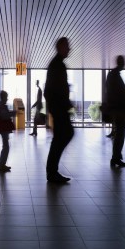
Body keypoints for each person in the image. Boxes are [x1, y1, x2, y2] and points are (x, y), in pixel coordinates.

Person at [44, 37, 74, 183]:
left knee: (60, 137)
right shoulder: (57, 65)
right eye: (67, 46)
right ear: (60, 47)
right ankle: (51, 172)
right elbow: (53, 90)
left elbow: (50, 90)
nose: (69, 48)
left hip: (59, 108)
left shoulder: (57, 64)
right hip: (59, 109)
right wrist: (62, 105)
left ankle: (52, 172)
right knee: (64, 135)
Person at [106, 55, 125, 167]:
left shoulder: (113, 75)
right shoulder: (114, 75)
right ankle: (116, 158)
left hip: (118, 109)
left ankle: (116, 157)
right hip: (119, 109)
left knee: (120, 133)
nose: (124, 64)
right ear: (119, 62)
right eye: (123, 62)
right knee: (120, 134)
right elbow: (118, 94)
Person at [0, 90, 15, 172]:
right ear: (3, 97)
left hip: (3, 128)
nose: (7, 99)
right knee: (6, 147)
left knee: (5, 146)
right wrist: (13, 113)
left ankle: (1, 164)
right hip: (4, 128)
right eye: (6, 97)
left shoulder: (2, 105)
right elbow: (4, 116)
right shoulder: (2, 106)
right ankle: (1, 164)